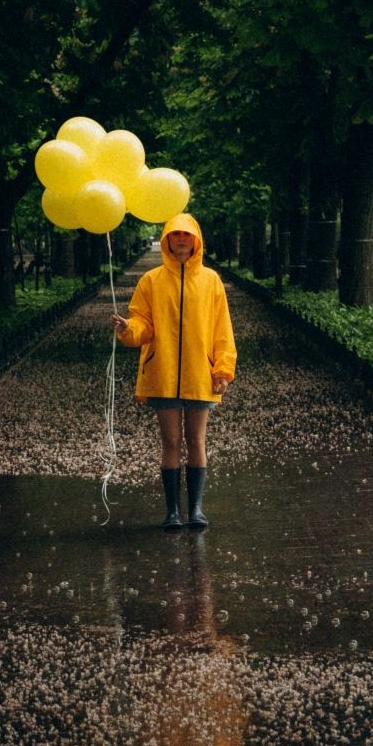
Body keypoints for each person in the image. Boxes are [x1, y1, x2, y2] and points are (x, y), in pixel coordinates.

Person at [111, 213, 236, 531]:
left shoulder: (211, 281)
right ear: (167, 240)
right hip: (162, 373)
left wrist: (222, 369)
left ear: (196, 241)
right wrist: (128, 329)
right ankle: (172, 512)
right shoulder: (151, 281)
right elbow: (142, 325)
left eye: (187, 235)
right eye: (175, 235)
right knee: (170, 442)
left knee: (196, 439)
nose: (181, 239)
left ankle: (195, 509)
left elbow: (222, 330)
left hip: (200, 374)